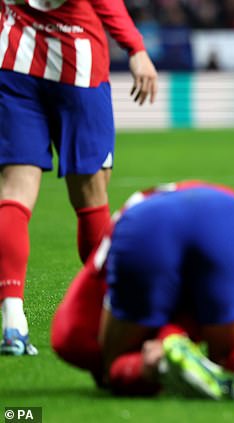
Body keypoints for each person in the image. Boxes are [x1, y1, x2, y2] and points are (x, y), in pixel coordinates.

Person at [0, 0, 158, 355]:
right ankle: (111, 313)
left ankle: (12, 321)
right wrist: (135, 48)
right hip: (77, 66)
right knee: (91, 199)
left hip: (15, 63)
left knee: (14, 191)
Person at [50, 181, 234, 406]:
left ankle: (159, 364)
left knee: (116, 367)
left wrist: (158, 346)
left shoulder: (74, 339)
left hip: (148, 223)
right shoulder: (76, 329)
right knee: (229, 354)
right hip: (225, 208)